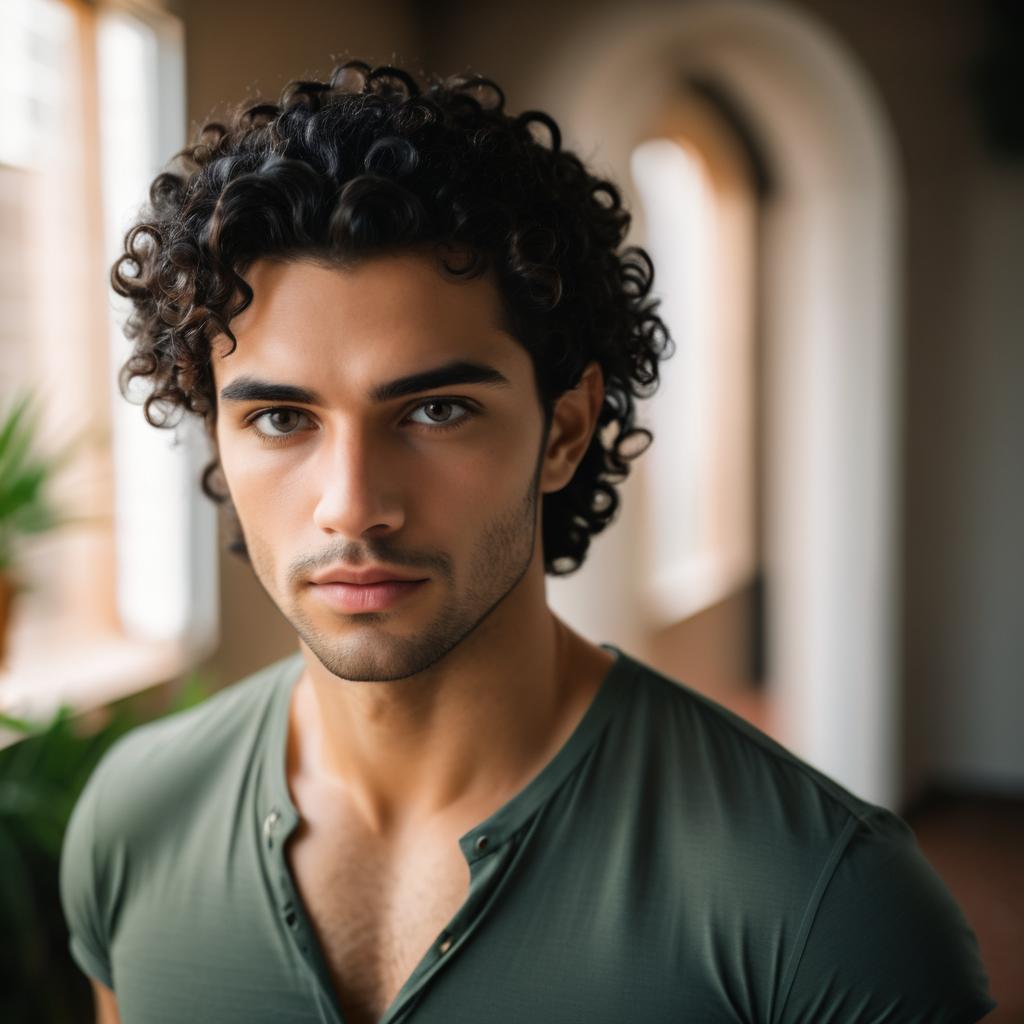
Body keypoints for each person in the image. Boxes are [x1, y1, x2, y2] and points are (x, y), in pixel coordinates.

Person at [59, 59, 996, 1024]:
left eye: (435, 409)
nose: (352, 505)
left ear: (564, 430)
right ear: (213, 430)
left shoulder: (828, 907)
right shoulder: (135, 818)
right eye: (282, 419)